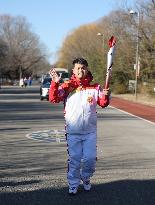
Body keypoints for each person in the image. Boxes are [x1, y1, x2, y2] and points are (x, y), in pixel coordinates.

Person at [49, 58, 110, 195]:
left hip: (90, 133)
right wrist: (55, 82)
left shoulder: (95, 88)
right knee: (75, 159)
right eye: (77, 68)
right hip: (73, 132)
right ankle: (73, 184)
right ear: (73, 71)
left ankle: (86, 177)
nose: (80, 70)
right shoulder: (67, 87)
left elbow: (103, 103)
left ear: (87, 69)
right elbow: (54, 98)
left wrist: (106, 95)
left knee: (90, 159)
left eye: (83, 68)